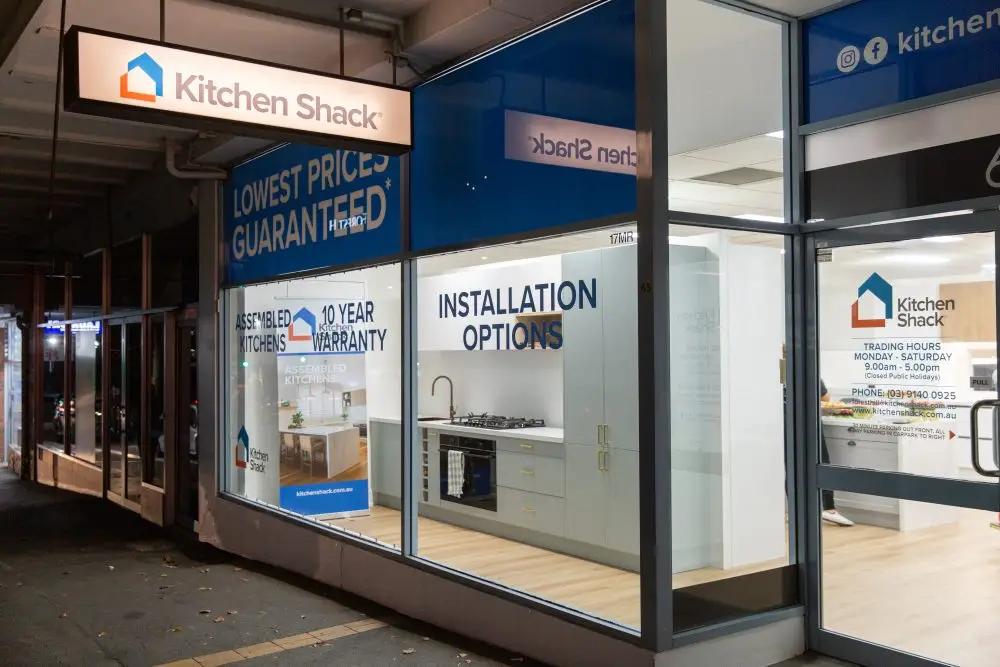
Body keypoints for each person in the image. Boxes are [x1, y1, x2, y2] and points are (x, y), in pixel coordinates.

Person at [820, 379, 854, 527]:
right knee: (822, 462)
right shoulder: (809, 369)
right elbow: (825, 400)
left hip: (780, 422)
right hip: (806, 421)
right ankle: (829, 509)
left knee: (792, 466)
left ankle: (795, 509)